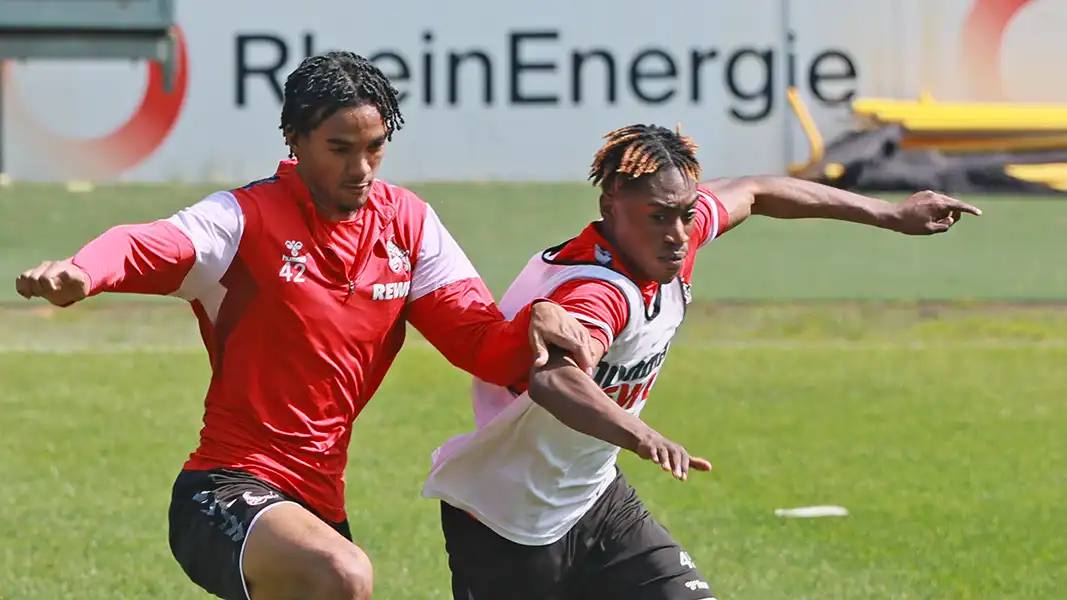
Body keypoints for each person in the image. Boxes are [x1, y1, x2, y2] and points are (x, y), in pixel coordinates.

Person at [13, 52, 597, 600]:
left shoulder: (410, 226)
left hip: (319, 503)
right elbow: (149, 242)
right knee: (343, 573)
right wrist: (82, 272)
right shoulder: (244, 219)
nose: (361, 168)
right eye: (340, 148)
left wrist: (537, 318)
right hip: (224, 490)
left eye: (375, 147)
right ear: (295, 140)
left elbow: (482, 345)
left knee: (337, 572)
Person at [421, 123, 982, 600]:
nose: (679, 235)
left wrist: (890, 214)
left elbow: (758, 190)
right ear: (609, 206)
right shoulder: (597, 291)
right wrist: (639, 435)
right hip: (505, 525)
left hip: (596, 501)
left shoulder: (667, 242)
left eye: (687, 214)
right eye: (660, 217)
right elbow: (555, 379)